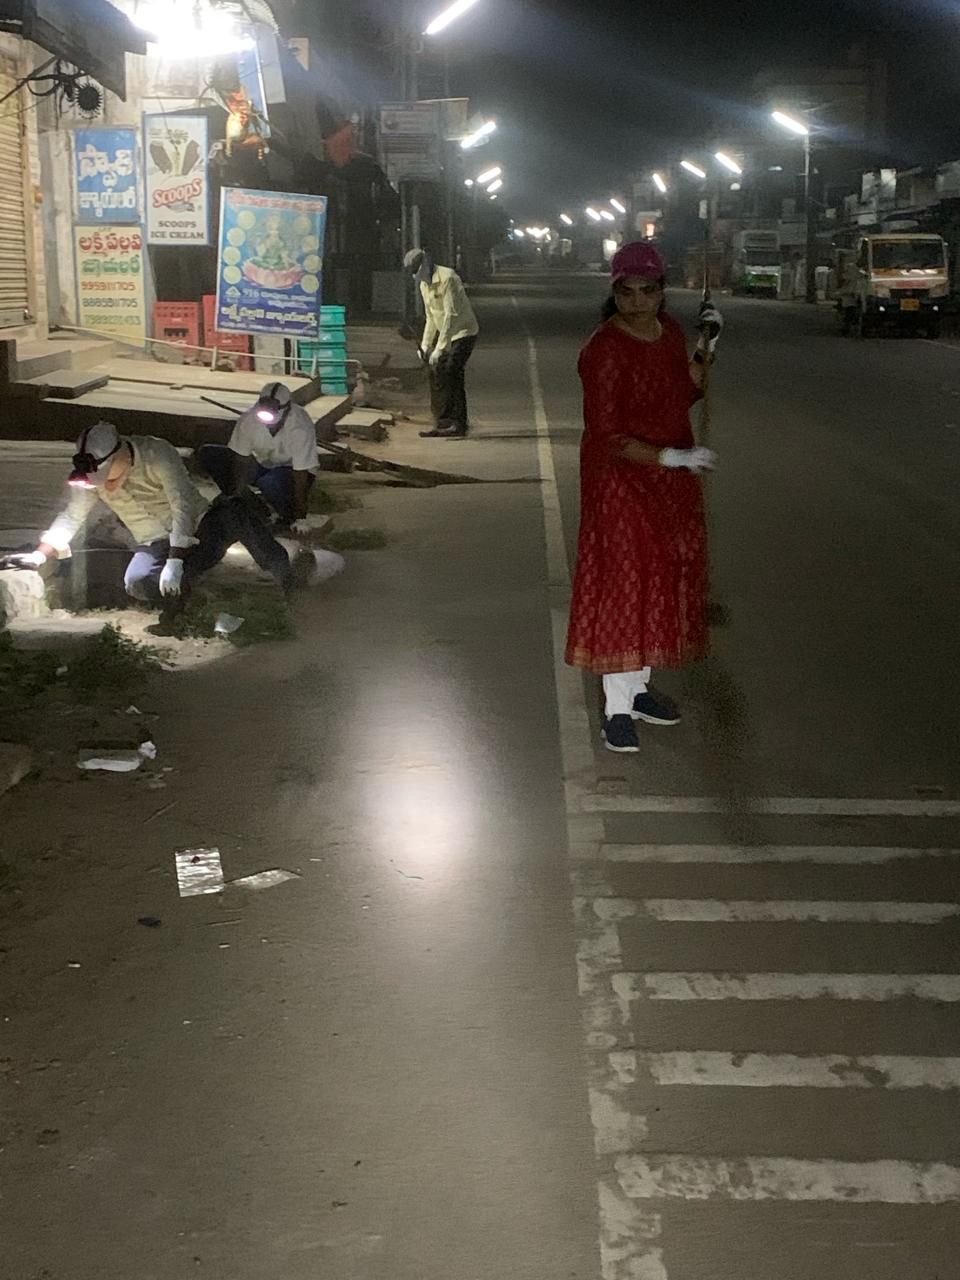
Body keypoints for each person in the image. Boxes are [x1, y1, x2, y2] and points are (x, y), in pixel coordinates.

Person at [565, 242, 723, 753]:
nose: (637, 301)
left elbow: (685, 390)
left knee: (659, 577)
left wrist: (707, 345)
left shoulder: (670, 332)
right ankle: (616, 711)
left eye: (648, 291)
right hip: (619, 482)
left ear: (661, 291)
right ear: (614, 293)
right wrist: (669, 457)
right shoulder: (603, 351)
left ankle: (636, 689)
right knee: (625, 584)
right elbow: (606, 434)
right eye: (627, 292)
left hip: (666, 481)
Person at [13, 421, 299, 626]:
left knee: (234, 511)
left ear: (119, 455)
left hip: (201, 528)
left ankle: (286, 579)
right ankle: (193, 605)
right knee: (137, 583)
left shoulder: (157, 454)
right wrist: (40, 554)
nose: (104, 484)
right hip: (154, 542)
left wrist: (175, 560)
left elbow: (181, 505)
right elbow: (72, 516)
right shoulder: (91, 479)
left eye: (106, 473)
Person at [198, 382, 317, 531]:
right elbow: (240, 458)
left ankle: (287, 515)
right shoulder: (249, 419)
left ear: (286, 409)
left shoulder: (300, 426)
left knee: (269, 482)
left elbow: (301, 473)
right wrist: (237, 493)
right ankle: (253, 505)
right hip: (263, 463)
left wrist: (301, 517)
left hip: (291, 471)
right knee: (209, 454)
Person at [403, 248, 479, 439]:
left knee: (452, 371)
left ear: (425, 265)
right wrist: (426, 345)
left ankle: (459, 423)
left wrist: (440, 348)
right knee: (436, 373)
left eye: (416, 271)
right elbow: (431, 316)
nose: (415, 276)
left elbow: (450, 316)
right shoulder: (424, 284)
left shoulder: (448, 278)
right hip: (446, 333)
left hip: (464, 331)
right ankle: (442, 421)